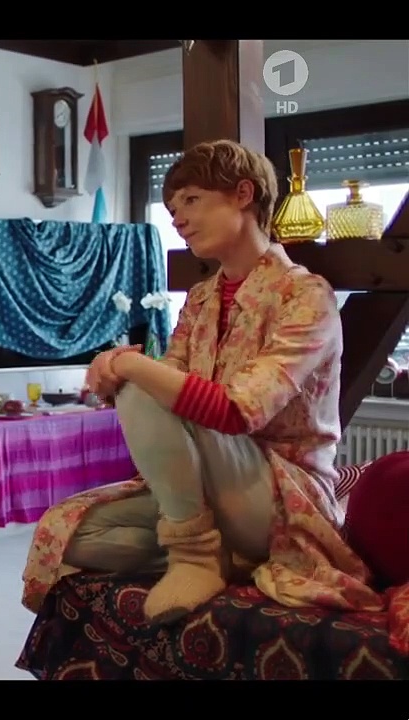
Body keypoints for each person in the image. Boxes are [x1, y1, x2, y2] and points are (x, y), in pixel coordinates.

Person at [20, 139, 384, 624]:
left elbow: (236, 411)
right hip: (208, 491)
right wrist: (116, 370)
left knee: (140, 381)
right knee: (68, 533)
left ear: (243, 195)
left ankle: (194, 558)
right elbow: (171, 379)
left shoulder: (305, 295)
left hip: (281, 496)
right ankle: (222, 555)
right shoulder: (201, 298)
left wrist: (127, 366)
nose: (179, 219)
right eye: (173, 209)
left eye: (191, 200)